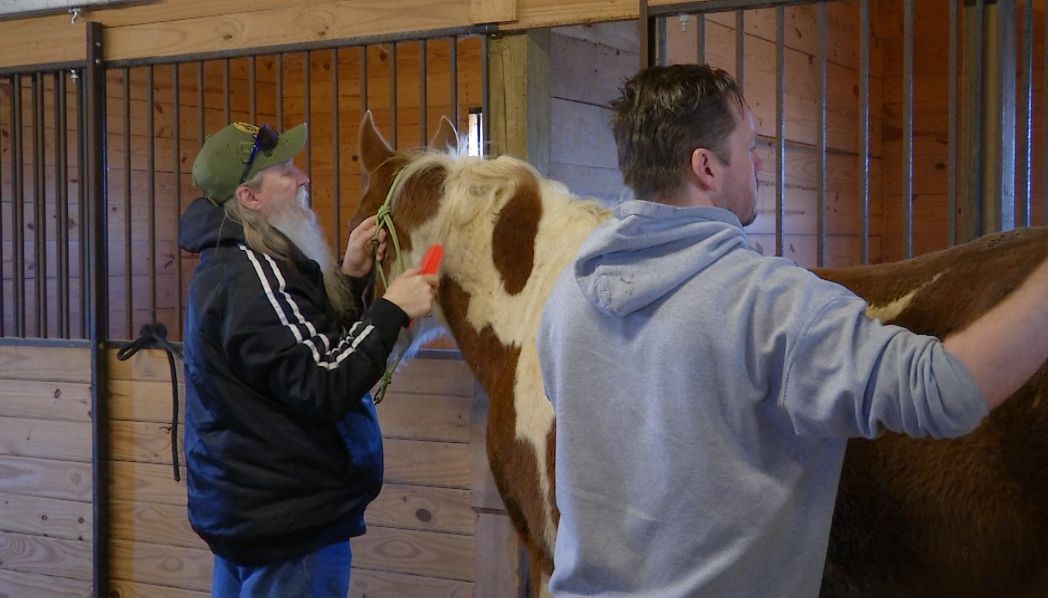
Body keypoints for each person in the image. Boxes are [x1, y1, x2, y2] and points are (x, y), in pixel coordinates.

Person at [536, 64, 1048, 597]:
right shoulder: (770, 303)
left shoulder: (567, 299)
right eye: (750, 146)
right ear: (705, 166)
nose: (759, 162)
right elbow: (945, 389)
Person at [179, 121, 438, 597]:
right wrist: (389, 309)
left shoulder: (241, 262)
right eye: (285, 172)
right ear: (249, 197)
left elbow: (301, 353)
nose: (303, 178)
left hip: (257, 513)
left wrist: (352, 278)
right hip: (289, 526)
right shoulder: (253, 277)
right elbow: (323, 384)